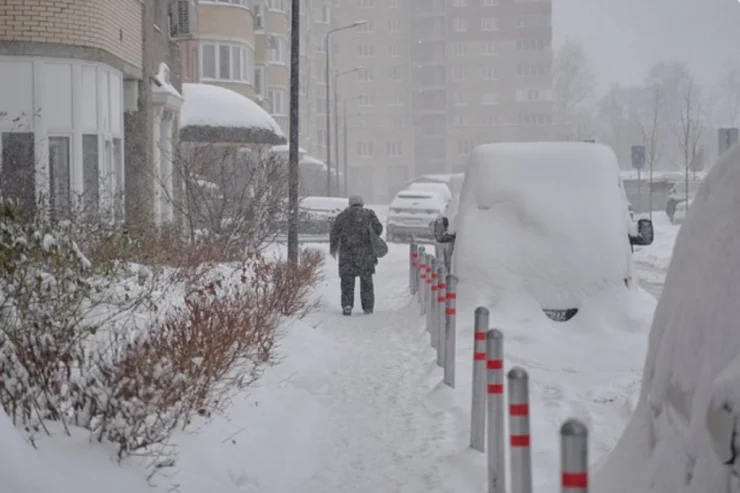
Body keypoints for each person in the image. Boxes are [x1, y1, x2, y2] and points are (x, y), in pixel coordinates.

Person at [329, 195, 383, 316]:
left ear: (350, 204)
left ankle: (347, 305)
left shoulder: (342, 216)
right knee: (366, 282)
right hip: (365, 255)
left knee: (347, 282)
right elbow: (379, 229)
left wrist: (333, 248)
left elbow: (334, 233)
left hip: (347, 255)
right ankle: (368, 306)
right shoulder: (369, 214)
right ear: (362, 203)